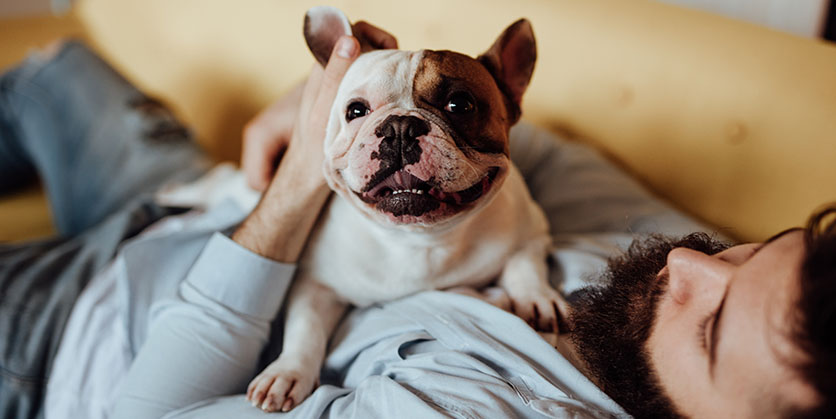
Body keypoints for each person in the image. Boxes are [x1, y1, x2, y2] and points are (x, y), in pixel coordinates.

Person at [0, 24, 832, 419]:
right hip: (194, 198)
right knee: (59, 70)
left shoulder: (465, 405)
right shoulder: (672, 263)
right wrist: (332, 108)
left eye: (712, 325)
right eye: (754, 247)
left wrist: (295, 190)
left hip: (68, 332)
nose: (684, 266)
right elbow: (514, 136)